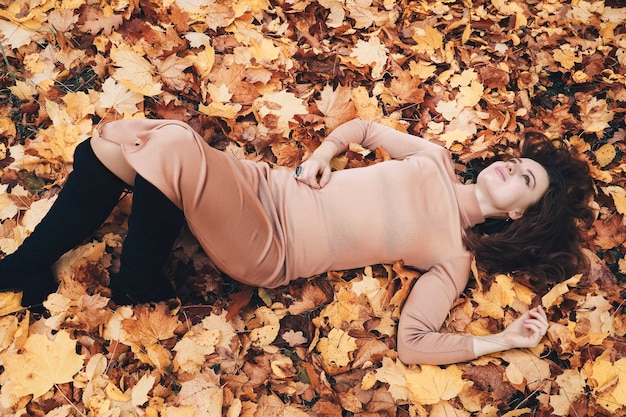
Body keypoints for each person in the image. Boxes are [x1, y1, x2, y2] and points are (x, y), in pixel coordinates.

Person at [0, 118, 594, 365]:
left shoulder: (453, 255)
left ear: (520, 214)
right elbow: (361, 127)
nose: (509, 170)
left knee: (173, 143)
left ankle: (137, 286)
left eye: (525, 180)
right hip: (263, 185)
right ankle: (25, 268)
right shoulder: (434, 158)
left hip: (270, 245)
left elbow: (414, 344)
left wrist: (500, 341)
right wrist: (324, 153)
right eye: (515, 161)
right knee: (115, 141)